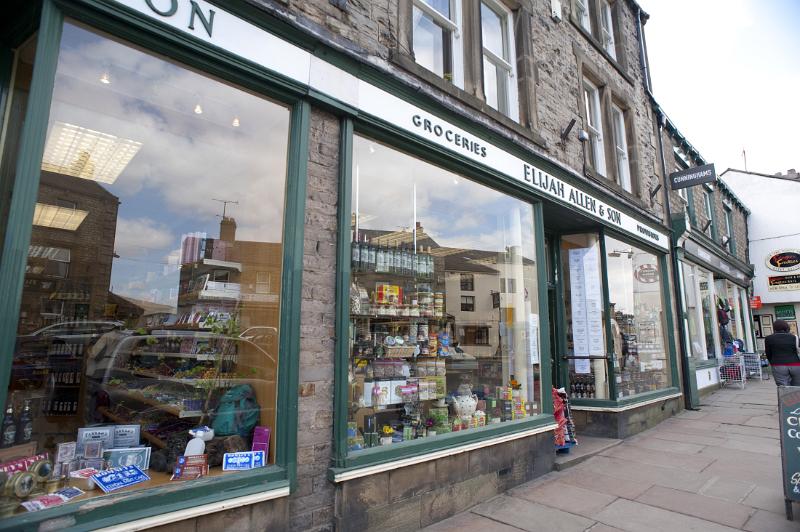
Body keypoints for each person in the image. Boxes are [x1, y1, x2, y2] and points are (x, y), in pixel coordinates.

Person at [764, 319, 800, 386]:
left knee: (783, 388)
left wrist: (772, 363)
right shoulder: (795, 337)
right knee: (797, 387)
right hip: (795, 364)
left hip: (778, 365)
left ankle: (785, 396)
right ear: (787, 327)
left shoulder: (768, 338)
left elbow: (768, 353)